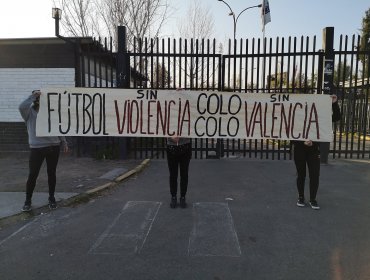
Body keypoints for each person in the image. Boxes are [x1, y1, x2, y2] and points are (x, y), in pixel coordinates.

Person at [19, 90, 69, 212]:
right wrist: (33, 95)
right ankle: (28, 200)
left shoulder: (51, 113)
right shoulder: (29, 113)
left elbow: (58, 127)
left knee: (51, 173)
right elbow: (21, 106)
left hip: (53, 146)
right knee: (33, 174)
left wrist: (64, 141)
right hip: (37, 148)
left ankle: (51, 198)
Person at [292, 95, 341, 210]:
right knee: (301, 174)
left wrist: (334, 103)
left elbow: (336, 117)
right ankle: (301, 197)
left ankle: (313, 199)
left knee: (315, 175)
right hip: (300, 149)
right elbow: (289, 131)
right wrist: (301, 142)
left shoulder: (320, 116)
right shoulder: (296, 116)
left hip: (314, 150)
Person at [166, 136, 192, 208]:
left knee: (184, 174)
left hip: (185, 146)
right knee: (173, 174)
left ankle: (183, 197)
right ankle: (173, 197)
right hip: (171, 147)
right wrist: (170, 137)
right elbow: (163, 129)